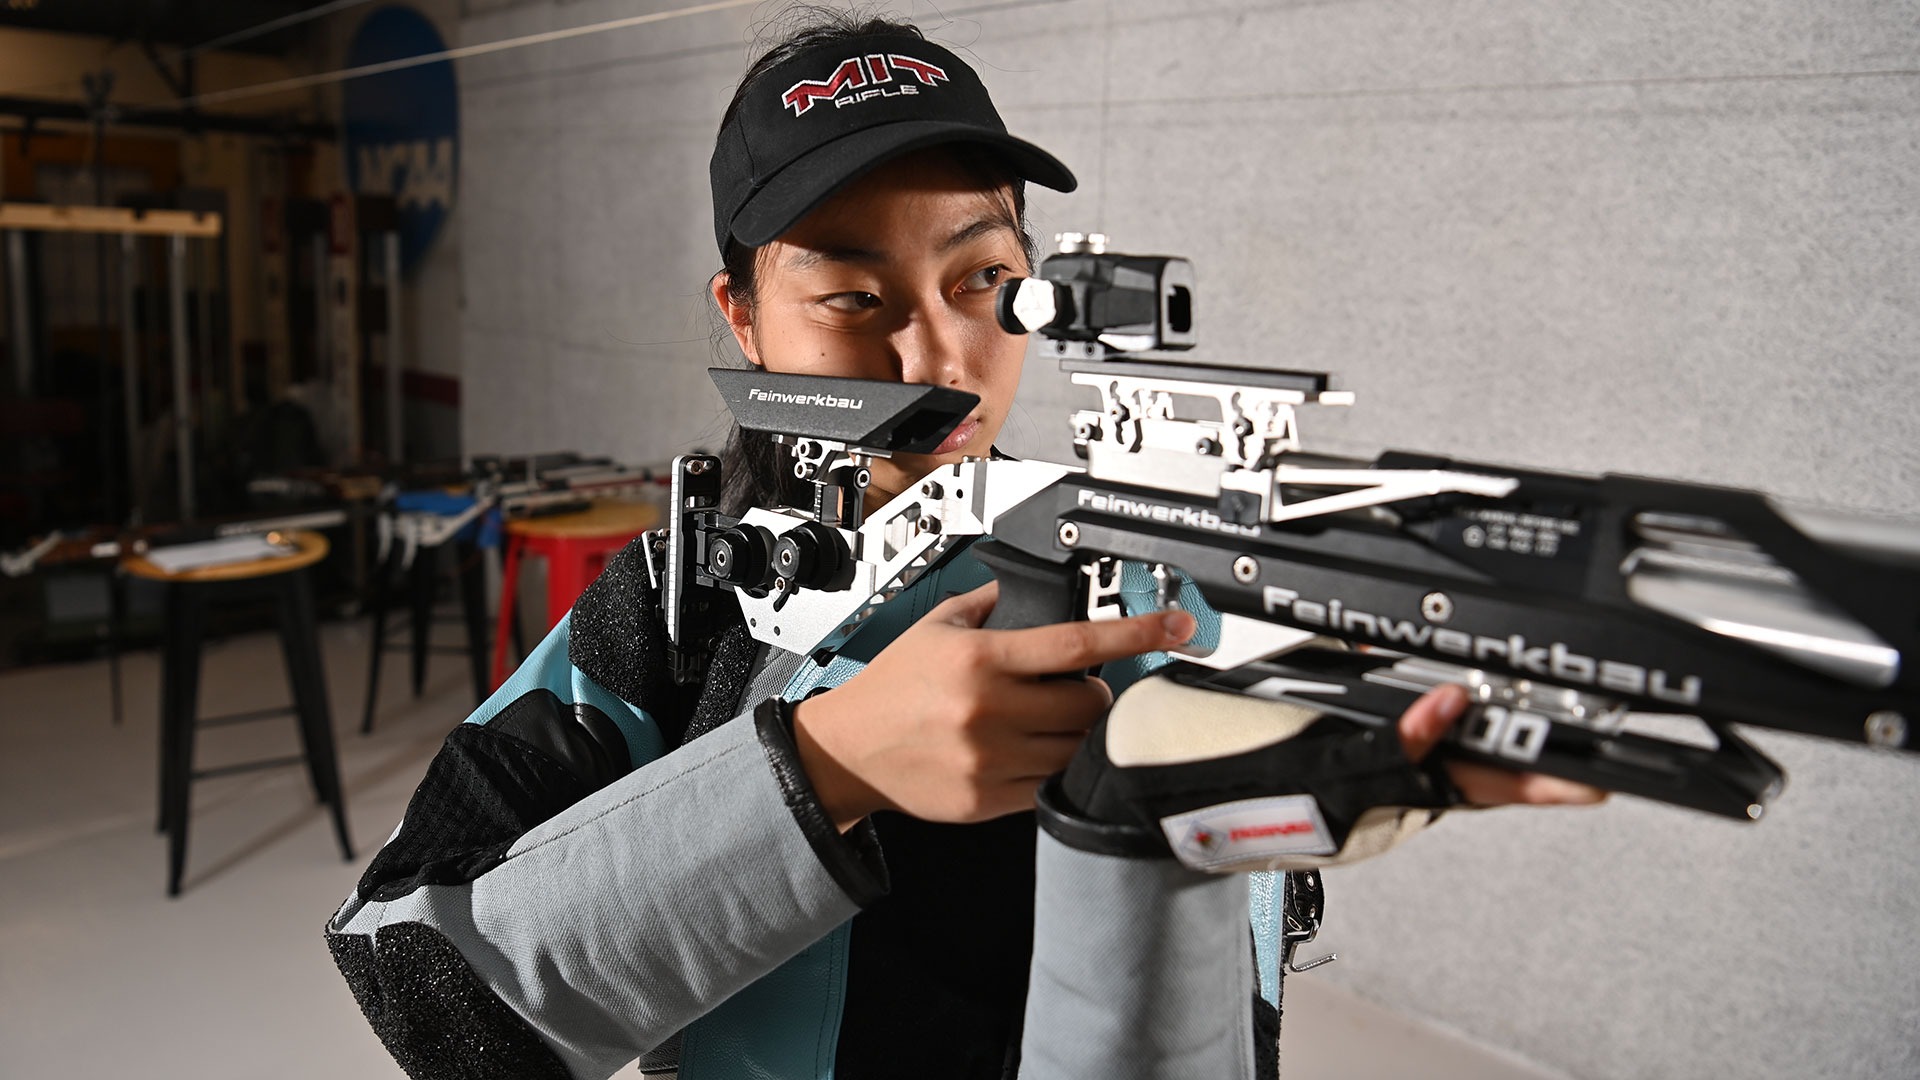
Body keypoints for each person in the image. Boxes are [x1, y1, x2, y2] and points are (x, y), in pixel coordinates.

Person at [325, 14, 1601, 1080]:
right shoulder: (689, 599)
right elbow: (417, 983)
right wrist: (822, 768)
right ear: (744, 318)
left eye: (986, 282)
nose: (935, 358)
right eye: (850, 298)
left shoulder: (1148, 569)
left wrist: (1266, 816)